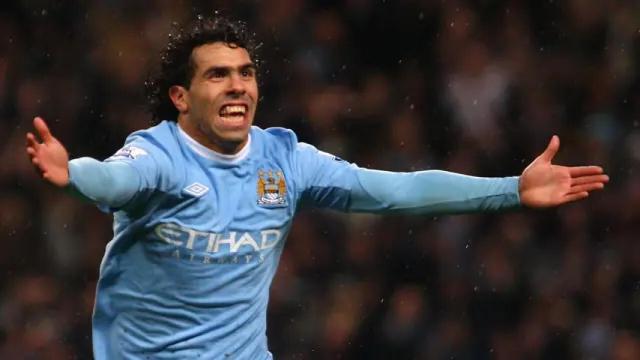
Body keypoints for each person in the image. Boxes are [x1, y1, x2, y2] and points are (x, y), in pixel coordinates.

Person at [25, 16, 608, 359]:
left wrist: (510, 189)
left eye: (246, 73)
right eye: (217, 75)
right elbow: (117, 177)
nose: (237, 86)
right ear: (181, 96)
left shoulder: (286, 159)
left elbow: (395, 191)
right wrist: (72, 172)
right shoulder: (159, 154)